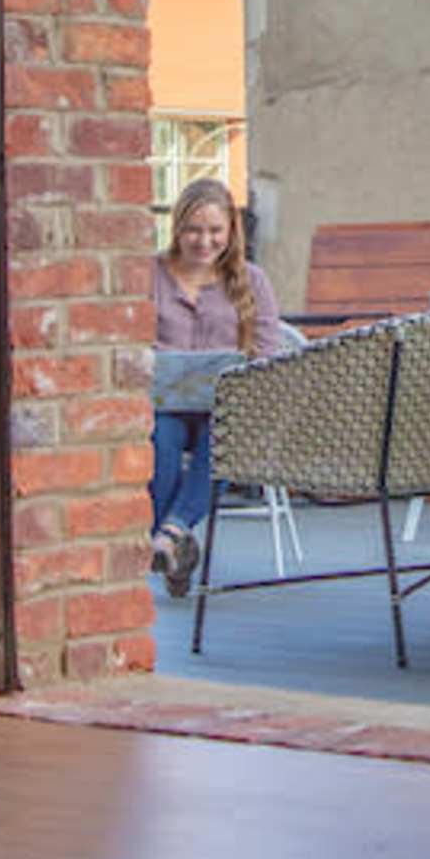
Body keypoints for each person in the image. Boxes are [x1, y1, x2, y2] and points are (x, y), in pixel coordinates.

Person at [148, 177, 287, 585]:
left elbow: (267, 352)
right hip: (163, 405)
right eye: (193, 229)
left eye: (215, 231)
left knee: (225, 437)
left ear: (231, 231)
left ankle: (167, 536)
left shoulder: (252, 280)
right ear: (177, 228)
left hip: (226, 410)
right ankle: (175, 542)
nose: (204, 241)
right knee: (159, 443)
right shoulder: (149, 274)